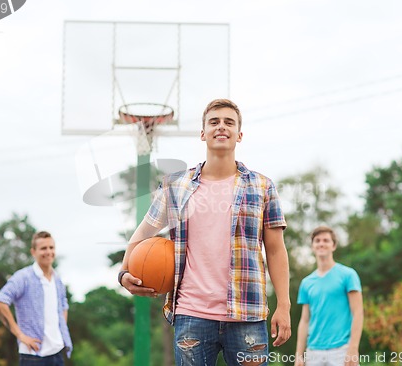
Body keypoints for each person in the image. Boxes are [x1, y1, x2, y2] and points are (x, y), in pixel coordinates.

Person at [118, 99, 291, 365]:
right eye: (214, 122)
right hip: (192, 314)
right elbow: (141, 234)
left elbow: (276, 249)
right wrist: (123, 272)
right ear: (203, 133)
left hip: (247, 313)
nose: (221, 127)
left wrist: (284, 304)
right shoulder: (176, 186)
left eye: (229, 122)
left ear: (239, 135)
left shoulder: (262, 186)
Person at [0, 231, 73, 366]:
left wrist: (60, 332)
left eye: (51, 248)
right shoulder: (23, 277)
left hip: (57, 352)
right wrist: (20, 335)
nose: (48, 252)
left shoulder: (57, 279)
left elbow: (63, 305)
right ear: (33, 252)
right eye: (43, 248)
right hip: (33, 356)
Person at [295, 226, 363, 366]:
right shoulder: (306, 283)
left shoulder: (348, 275)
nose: (321, 243)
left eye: (326, 240)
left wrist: (353, 348)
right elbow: (305, 320)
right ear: (313, 246)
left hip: (342, 350)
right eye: (317, 240)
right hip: (313, 352)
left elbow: (358, 313)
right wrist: (299, 355)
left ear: (334, 245)